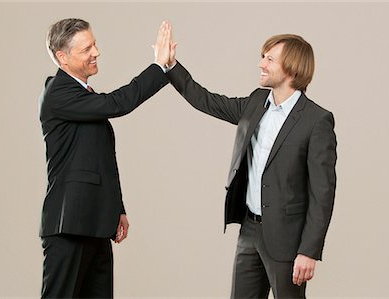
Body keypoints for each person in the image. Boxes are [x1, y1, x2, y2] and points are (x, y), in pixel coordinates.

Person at [166, 32, 337, 298]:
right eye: (263, 57)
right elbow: (206, 100)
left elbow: (322, 194)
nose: (261, 64)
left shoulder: (317, 121)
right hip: (249, 230)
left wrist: (309, 251)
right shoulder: (256, 103)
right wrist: (171, 66)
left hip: (288, 240)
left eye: (269, 59)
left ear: (291, 68)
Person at [38, 18, 172, 298]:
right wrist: (159, 67)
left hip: (95, 221)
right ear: (62, 57)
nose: (96, 52)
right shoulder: (58, 92)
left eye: (95, 44)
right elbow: (117, 103)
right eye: (86, 49)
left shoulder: (81, 95)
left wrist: (117, 208)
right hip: (69, 224)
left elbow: (99, 159)